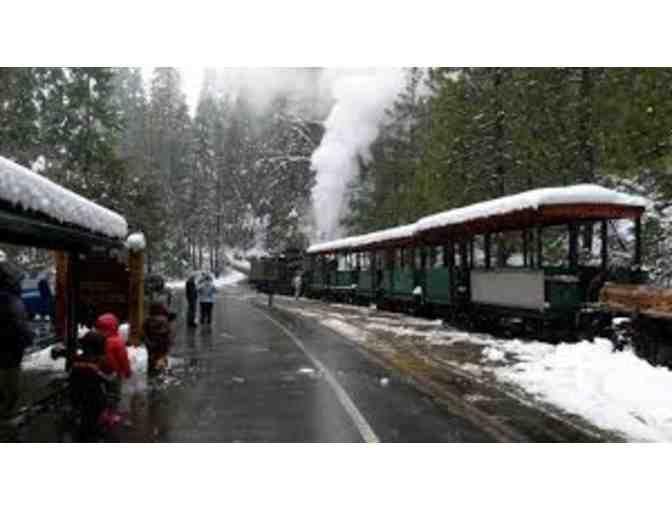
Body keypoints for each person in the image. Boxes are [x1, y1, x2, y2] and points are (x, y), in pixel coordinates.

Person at [0, 263, 34, 424]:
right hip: (10, 352)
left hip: (9, 350)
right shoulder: (11, 300)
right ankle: (6, 420)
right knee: (11, 389)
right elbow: (20, 325)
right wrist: (27, 338)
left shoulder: (11, 299)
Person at [69, 331, 115, 441]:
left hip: (79, 399)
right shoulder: (103, 360)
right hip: (96, 400)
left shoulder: (77, 359)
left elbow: (71, 378)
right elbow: (110, 380)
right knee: (93, 427)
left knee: (83, 426)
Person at [95, 313, 131, 408]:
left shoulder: (98, 339)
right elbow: (123, 358)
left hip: (100, 372)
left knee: (102, 392)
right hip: (115, 372)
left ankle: (103, 410)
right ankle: (112, 413)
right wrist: (127, 371)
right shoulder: (118, 342)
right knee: (114, 394)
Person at [143, 302, 175, 378]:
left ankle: (152, 374)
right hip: (162, 346)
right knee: (161, 361)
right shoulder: (164, 321)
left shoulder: (147, 321)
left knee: (152, 361)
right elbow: (168, 334)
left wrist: (147, 342)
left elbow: (144, 333)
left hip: (152, 345)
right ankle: (160, 374)